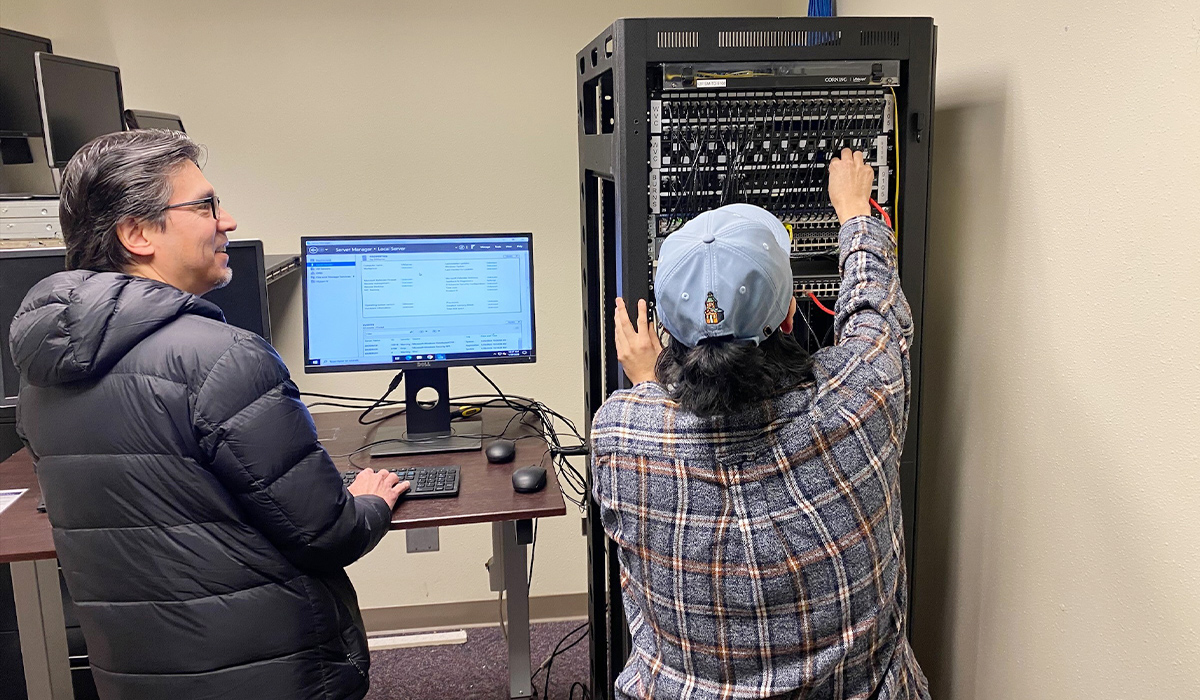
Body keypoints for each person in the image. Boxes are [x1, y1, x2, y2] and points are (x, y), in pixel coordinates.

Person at [9, 129, 409, 700]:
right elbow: (328, 533)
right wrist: (370, 500)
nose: (228, 221)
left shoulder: (42, 372)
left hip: (138, 673)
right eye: (206, 205)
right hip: (265, 670)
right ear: (137, 233)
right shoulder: (222, 358)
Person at [591, 149, 928, 699]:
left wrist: (651, 383)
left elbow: (662, 421)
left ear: (670, 337)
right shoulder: (864, 395)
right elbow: (875, 311)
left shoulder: (622, 432)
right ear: (792, 313)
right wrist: (854, 213)